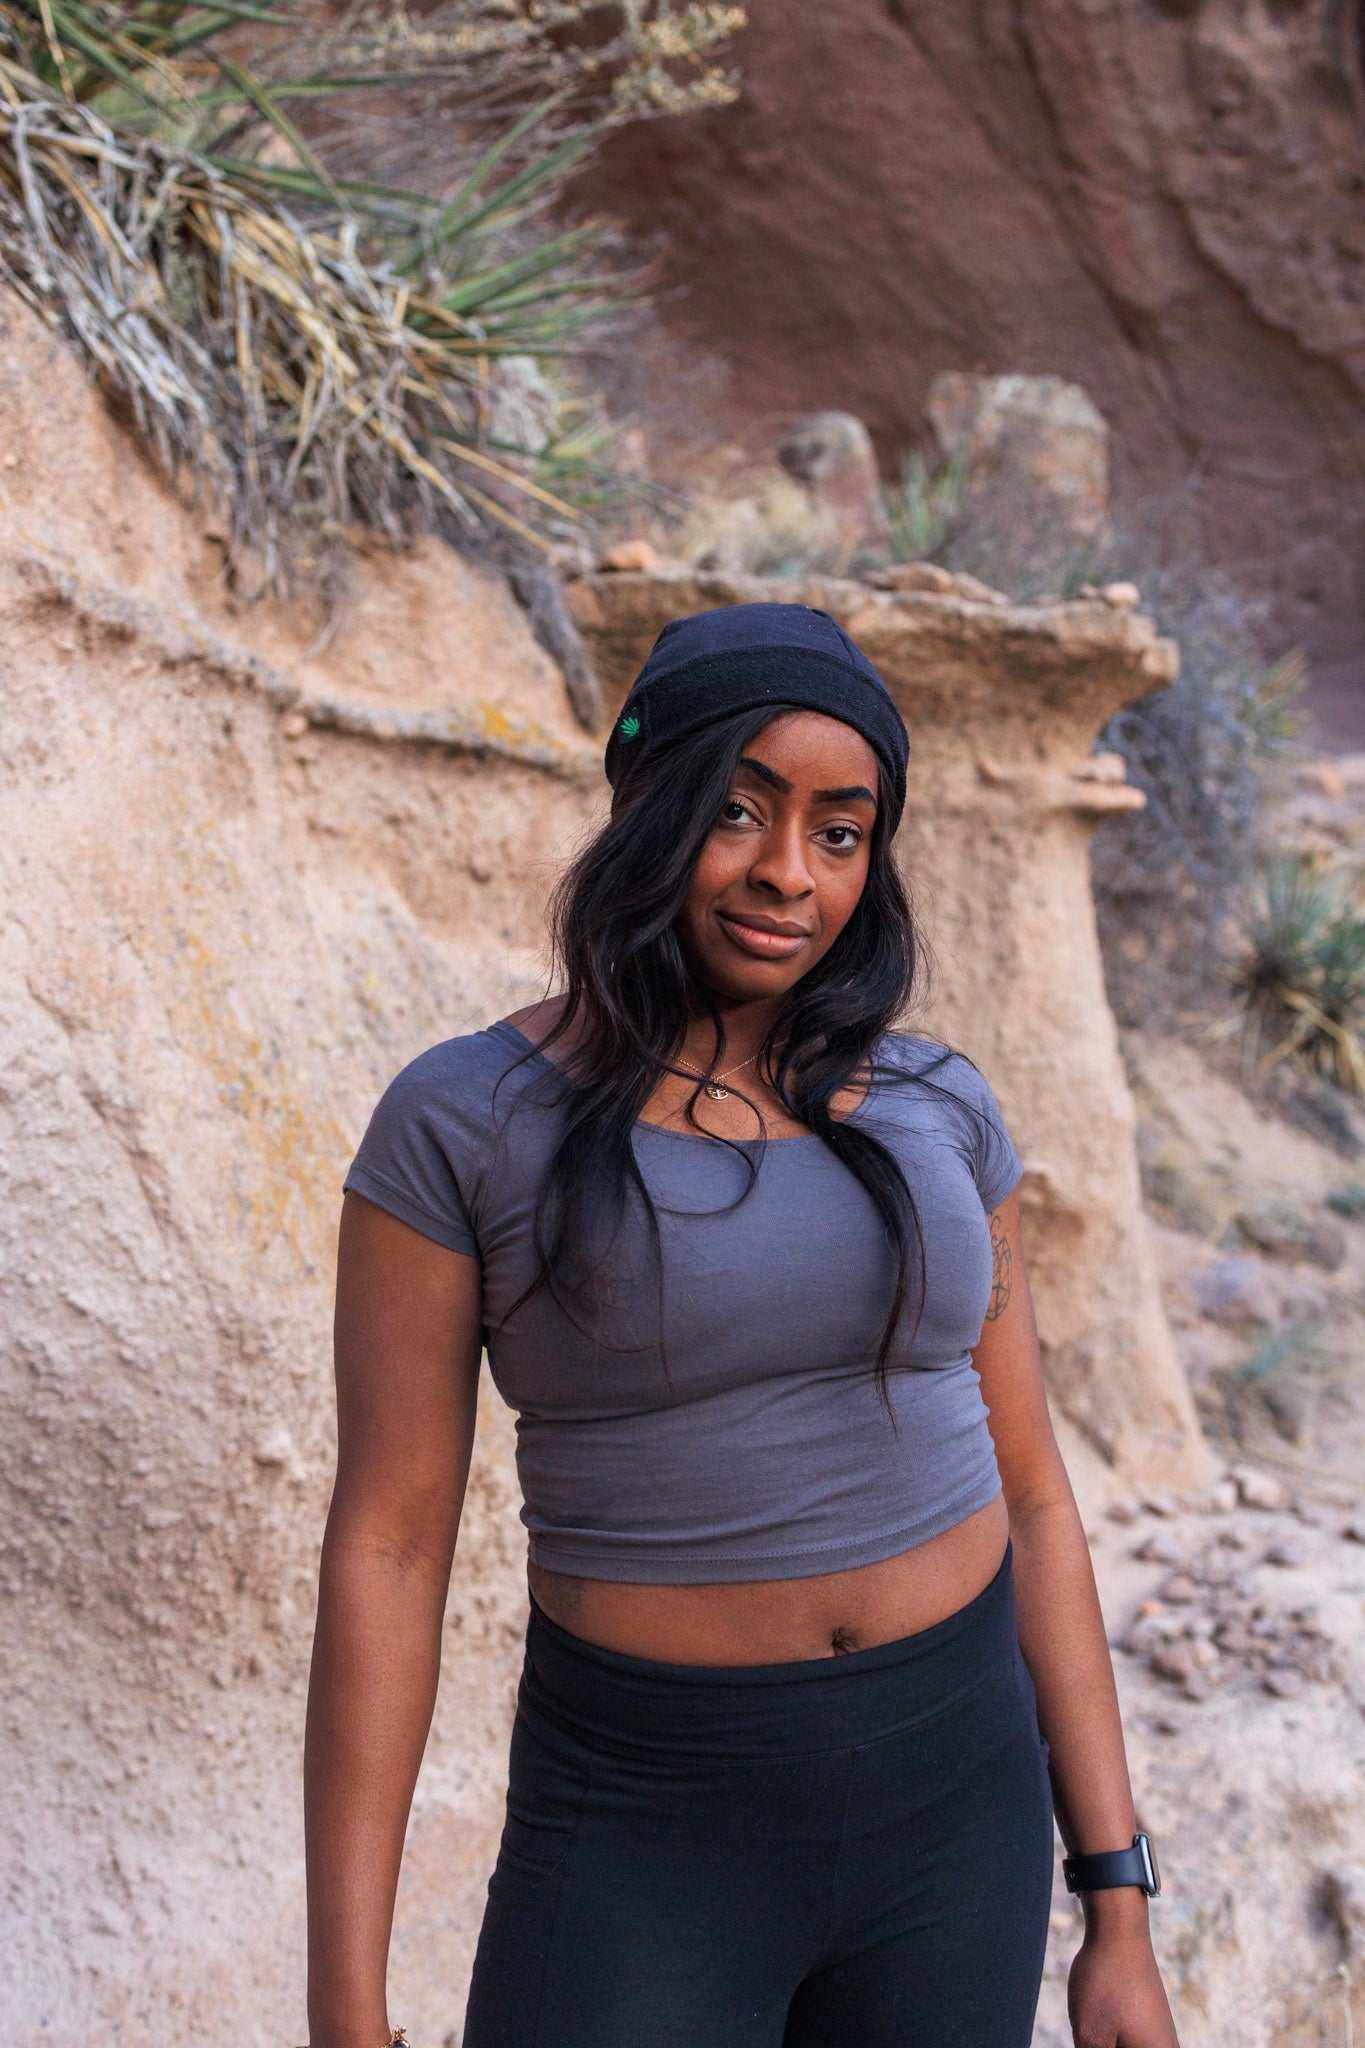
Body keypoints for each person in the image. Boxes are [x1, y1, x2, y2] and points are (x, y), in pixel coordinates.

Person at [304, 602, 1182, 2048]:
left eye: (840, 833)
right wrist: (347, 2008)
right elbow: (389, 1548)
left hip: (959, 1808)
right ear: (643, 803)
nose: (789, 873)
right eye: (738, 812)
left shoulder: (937, 1108)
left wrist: (1118, 1902)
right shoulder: (463, 1122)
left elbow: (1031, 1492)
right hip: (646, 1826)